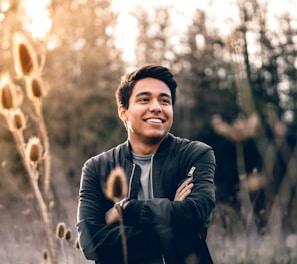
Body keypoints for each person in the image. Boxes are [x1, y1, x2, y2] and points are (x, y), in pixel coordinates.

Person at [76, 64, 216, 264]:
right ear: (123, 112)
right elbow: (92, 244)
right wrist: (170, 219)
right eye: (144, 99)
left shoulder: (195, 154)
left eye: (164, 101)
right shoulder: (97, 167)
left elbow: (196, 214)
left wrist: (126, 209)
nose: (156, 107)